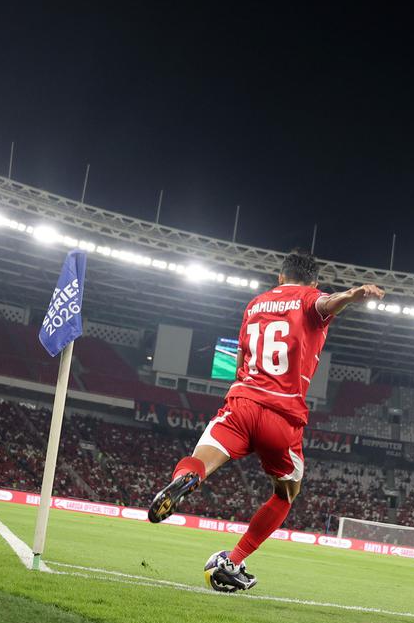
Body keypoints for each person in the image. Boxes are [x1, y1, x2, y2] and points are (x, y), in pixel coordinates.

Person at [147, 249, 383, 591]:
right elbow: (328, 304)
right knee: (286, 495)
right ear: (314, 281)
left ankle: (183, 479)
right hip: (281, 414)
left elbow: (240, 359)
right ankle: (234, 561)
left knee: (200, 461)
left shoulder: (255, 305)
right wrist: (352, 295)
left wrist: (245, 390)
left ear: (280, 277)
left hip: (242, 403)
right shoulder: (309, 298)